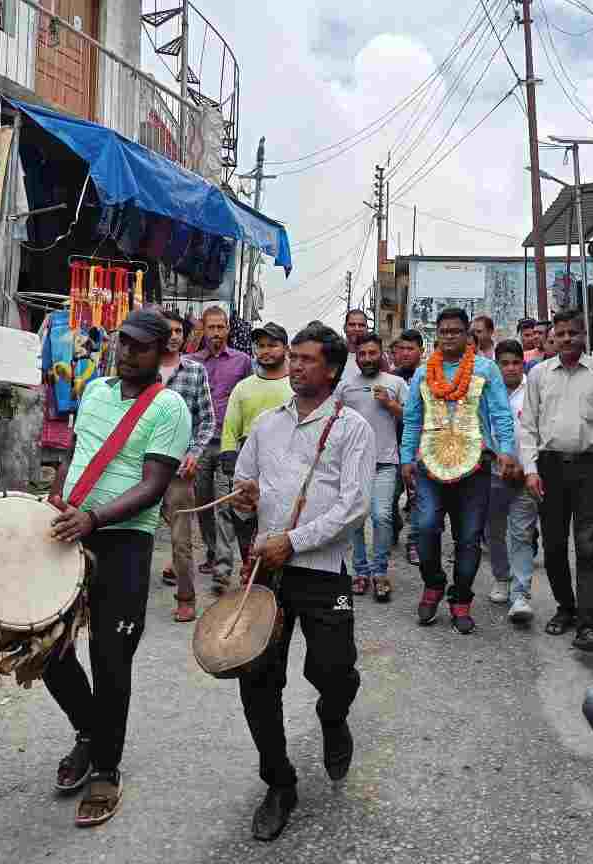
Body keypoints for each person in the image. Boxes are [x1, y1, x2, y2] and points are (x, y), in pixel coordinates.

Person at [45, 308, 192, 827]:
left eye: (140, 346)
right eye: (123, 343)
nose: (127, 352)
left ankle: (106, 767)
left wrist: (94, 518)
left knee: (111, 659)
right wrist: (59, 495)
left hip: (124, 543)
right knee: (45, 646)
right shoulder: (96, 392)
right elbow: (77, 453)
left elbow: (153, 486)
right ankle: (89, 730)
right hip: (70, 528)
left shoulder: (171, 407)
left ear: (162, 354)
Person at [229, 323, 376, 842]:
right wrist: (243, 498)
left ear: (332, 368)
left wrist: (295, 540)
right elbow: (243, 480)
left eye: (308, 359)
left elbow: (354, 506)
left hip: (322, 570)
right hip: (266, 573)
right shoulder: (268, 424)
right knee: (258, 680)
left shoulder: (353, 427)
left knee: (335, 672)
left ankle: (333, 718)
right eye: (293, 357)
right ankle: (279, 781)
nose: (295, 366)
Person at [401, 307, 517, 634]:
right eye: (443, 331)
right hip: (428, 466)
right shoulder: (424, 374)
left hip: (475, 467)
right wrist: (405, 458)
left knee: (468, 538)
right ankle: (434, 583)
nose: (449, 336)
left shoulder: (486, 369)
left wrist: (506, 451)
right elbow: (411, 421)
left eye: (456, 331)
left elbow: (501, 415)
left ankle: (461, 599)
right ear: (436, 335)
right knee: (424, 528)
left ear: (469, 335)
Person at [517, 309, 593, 653]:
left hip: (591, 469)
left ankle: (587, 624)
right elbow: (529, 427)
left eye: (573, 333)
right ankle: (566, 607)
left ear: (584, 335)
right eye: (561, 333)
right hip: (549, 469)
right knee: (552, 548)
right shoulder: (538, 375)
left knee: (588, 548)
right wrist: (531, 470)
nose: (567, 339)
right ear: (553, 337)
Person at [154, 310, 216, 623]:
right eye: (169, 330)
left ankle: (186, 597)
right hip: (140, 465)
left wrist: (194, 453)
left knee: (181, 537)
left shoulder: (195, 372)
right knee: (134, 533)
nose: (175, 335)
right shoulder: (143, 369)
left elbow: (207, 419)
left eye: (180, 330)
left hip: (179, 467)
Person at [337, 332, 409, 601]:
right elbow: (335, 421)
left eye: (372, 353)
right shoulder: (345, 386)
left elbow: (413, 417)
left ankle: (380, 572)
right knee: (356, 520)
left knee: (382, 517)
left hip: (385, 463)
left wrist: (390, 404)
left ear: (381, 355)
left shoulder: (395, 383)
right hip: (353, 465)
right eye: (362, 354)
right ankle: (360, 572)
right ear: (356, 356)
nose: (367, 358)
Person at [189, 305, 253, 593]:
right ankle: (213, 550)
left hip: (228, 444)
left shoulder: (242, 362)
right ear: (203, 329)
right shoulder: (191, 363)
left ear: (228, 329)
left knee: (223, 506)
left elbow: (247, 399)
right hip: (199, 445)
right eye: (211, 327)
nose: (216, 333)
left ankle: (222, 567)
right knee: (202, 503)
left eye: (221, 327)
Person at [220, 322, 294, 565]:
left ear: (286, 348)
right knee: (244, 521)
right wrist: (230, 460)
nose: (265, 351)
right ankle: (249, 571)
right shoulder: (243, 387)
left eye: (272, 345)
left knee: (280, 523)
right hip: (248, 467)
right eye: (260, 346)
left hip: (287, 466)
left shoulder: (295, 387)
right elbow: (231, 426)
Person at [485, 339, 541, 624]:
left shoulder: (534, 391)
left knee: (522, 534)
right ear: (497, 365)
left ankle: (521, 594)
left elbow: (539, 432)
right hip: (491, 475)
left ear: (523, 363)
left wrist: (527, 468)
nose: (510, 368)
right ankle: (501, 578)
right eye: (504, 363)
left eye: (515, 362)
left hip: (524, 474)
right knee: (493, 532)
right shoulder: (485, 392)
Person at [391, 329, 425, 564]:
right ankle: (393, 525)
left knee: (418, 498)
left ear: (421, 352)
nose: (404, 354)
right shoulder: (388, 379)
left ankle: (415, 542)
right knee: (389, 497)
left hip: (420, 448)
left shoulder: (429, 379)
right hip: (390, 448)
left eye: (410, 349)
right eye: (400, 348)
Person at [343, 308, 390, 373]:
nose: (357, 329)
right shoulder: (336, 354)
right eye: (352, 325)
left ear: (366, 328)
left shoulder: (380, 356)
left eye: (361, 325)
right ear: (345, 328)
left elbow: (387, 379)